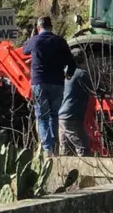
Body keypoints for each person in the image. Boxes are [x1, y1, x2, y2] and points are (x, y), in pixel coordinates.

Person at [22, 16, 77, 155]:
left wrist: (32, 36)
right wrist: (69, 74)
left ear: (38, 28)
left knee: (42, 116)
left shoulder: (35, 40)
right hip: (57, 83)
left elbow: (24, 51)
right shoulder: (60, 41)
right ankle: (55, 147)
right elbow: (72, 63)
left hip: (39, 82)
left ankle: (47, 149)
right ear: (51, 27)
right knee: (54, 115)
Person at [59, 64, 93, 156]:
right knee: (83, 148)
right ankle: (86, 170)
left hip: (61, 116)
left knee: (65, 152)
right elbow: (94, 88)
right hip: (72, 116)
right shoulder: (80, 74)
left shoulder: (62, 71)